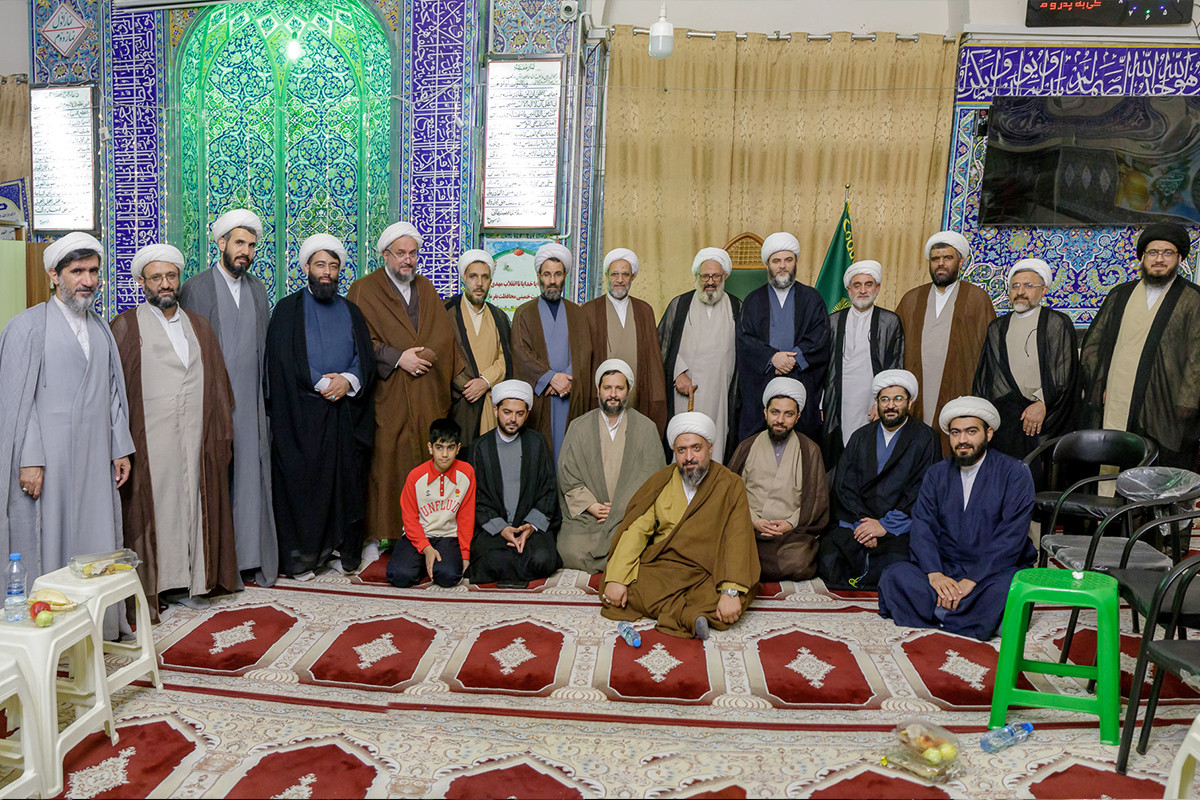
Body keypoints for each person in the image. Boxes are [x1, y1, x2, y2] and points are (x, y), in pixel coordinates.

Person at [0, 233, 134, 598]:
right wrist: (30, 459)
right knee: (49, 540)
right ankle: (52, 618)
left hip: (95, 456)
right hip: (49, 460)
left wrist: (120, 448)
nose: (88, 280)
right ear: (54, 275)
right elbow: (17, 404)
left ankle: (97, 619)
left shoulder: (101, 328)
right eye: (77, 271)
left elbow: (112, 393)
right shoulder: (26, 328)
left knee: (96, 540)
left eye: (93, 271)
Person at [110, 244, 238, 616]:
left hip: (197, 435)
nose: (165, 284)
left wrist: (218, 434)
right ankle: (159, 585)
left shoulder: (198, 324)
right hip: (149, 439)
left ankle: (194, 581)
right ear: (142, 282)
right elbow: (113, 392)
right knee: (158, 505)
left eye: (171, 276)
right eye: (156, 278)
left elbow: (218, 384)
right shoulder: (125, 325)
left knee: (195, 502)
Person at [348, 221, 462, 560]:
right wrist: (398, 358)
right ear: (385, 255)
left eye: (412, 254)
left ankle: (422, 532)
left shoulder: (426, 287)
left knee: (422, 461)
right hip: (388, 396)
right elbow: (358, 340)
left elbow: (443, 335)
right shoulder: (363, 290)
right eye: (400, 254)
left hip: (425, 391)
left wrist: (425, 356)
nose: (407, 260)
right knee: (384, 465)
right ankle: (376, 535)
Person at [877, 396, 1036, 641]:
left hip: (992, 571)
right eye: (955, 433)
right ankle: (975, 618)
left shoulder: (1014, 472)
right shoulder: (936, 473)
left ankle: (940, 612)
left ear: (988, 434)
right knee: (895, 575)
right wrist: (935, 575)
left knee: (1010, 587)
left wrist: (972, 580)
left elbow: (1011, 537)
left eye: (971, 431)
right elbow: (922, 526)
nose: (962, 440)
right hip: (946, 567)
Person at [266, 234, 375, 579]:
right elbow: (282, 359)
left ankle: (340, 550)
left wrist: (348, 380)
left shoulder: (351, 310)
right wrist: (321, 383)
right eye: (320, 265)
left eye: (333, 266)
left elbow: (364, 357)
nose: (326, 272)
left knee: (345, 484)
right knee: (305, 488)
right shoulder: (287, 309)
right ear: (307, 269)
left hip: (344, 415)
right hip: (302, 417)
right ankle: (303, 558)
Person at [178, 209, 278, 586]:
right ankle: (217, 564)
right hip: (210, 403)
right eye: (239, 243)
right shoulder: (196, 288)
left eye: (251, 245)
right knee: (216, 480)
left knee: (251, 478)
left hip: (250, 403)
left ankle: (249, 558)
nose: (245, 251)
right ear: (221, 243)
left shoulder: (258, 289)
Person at [601, 412, 760, 639]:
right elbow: (637, 530)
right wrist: (617, 577)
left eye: (696, 448)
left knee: (735, 597)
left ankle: (679, 611)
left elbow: (739, 538)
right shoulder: (662, 481)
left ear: (710, 449)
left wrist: (730, 591)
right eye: (681, 450)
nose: (689, 457)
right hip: (666, 569)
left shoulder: (730, 484)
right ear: (674, 453)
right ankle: (691, 615)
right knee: (621, 586)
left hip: (709, 571)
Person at [1079, 222, 1200, 468]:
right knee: (1114, 456)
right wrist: (1100, 382)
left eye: (1167, 253)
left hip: (1165, 399)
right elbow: (1094, 343)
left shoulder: (1193, 298)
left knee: (1159, 464)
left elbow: (1197, 354)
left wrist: (1187, 400)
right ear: (1142, 258)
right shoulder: (1120, 294)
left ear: (1179, 259)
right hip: (1117, 395)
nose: (1159, 259)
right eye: (1153, 253)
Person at [817, 370, 940, 591]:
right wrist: (864, 524)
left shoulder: (926, 437)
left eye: (898, 399)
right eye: (884, 399)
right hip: (859, 522)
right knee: (829, 554)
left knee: (899, 560)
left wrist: (884, 525)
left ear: (910, 403)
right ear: (877, 403)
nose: (890, 405)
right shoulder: (860, 436)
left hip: (900, 524)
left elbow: (922, 488)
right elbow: (844, 485)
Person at [556, 359, 664, 573]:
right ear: (598, 390)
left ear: (628, 391)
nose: (613, 394)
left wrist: (622, 508)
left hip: (629, 515)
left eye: (619, 388)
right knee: (568, 549)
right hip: (590, 517)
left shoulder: (646, 428)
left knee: (643, 543)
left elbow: (655, 478)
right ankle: (618, 558)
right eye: (607, 388)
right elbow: (567, 473)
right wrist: (592, 506)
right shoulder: (578, 427)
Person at [896, 231, 996, 455]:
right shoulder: (911, 299)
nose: (941, 264)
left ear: (960, 261)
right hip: (918, 388)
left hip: (960, 386)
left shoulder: (977, 298)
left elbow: (991, 352)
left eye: (947, 258)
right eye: (935, 259)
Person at [973, 258, 1078, 459]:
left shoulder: (1056, 322)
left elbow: (1065, 372)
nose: (1020, 292)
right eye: (1015, 286)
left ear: (1043, 290)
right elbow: (989, 377)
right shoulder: (997, 327)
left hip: (1047, 414)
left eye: (1029, 286)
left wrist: (1042, 403)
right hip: (1007, 418)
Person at [727, 378, 827, 582]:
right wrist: (753, 521)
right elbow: (730, 493)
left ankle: (751, 565)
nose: (780, 420)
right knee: (727, 548)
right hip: (750, 529)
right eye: (775, 412)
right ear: (765, 413)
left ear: (798, 417)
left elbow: (817, 500)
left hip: (790, 535)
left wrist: (789, 523)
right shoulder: (747, 447)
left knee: (799, 561)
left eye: (788, 414)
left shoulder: (810, 450)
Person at [736, 232, 831, 444]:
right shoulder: (753, 300)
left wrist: (792, 359)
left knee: (802, 443)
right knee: (756, 443)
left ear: (796, 262)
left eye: (788, 260)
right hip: (762, 384)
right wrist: (772, 358)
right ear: (767, 265)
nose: (782, 266)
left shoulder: (812, 298)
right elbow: (745, 340)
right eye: (776, 261)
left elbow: (820, 337)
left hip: (801, 380)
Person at [467, 380, 563, 586]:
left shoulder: (537, 443)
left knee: (543, 559)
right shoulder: (480, 448)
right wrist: (502, 528)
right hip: (495, 528)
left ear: (527, 414)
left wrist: (530, 527)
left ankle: (510, 567)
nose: (513, 419)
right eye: (507, 412)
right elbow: (477, 498)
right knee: (489, 560)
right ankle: (514, 566)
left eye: (520, 414)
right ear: (496, 410)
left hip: (529, 526)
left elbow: (549, 489)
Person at [658, 247, 742, 462]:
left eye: (715, 276)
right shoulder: (680, 305)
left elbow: (746, 352)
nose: (710, 281)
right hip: (686, 391)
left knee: (716, 445)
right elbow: (662, 344)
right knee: (686, 444)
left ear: (725, 276)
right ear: (697, 277)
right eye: (705, 276)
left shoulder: (736, 307)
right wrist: (677, 374)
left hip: (721, 393)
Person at [510, 243, 592, 462]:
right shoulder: (524, 313)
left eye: (557, 274)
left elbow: (585, 350)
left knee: (570, 455)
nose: (552, 280)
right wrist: (550, 378)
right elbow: (520, 352)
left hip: (570, 393)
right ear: (538, 277)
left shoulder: (577, 313)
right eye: (547, 274)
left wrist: (567, 380)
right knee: (539, 457)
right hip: (541, 396)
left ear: (565, 276)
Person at [821, 260, 905, 466]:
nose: (863, 290)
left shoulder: (890, 321)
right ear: (848, 289)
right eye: (857, 285)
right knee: (837, 455)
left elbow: (896, 365)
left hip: (871, 399)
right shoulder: (833, 321)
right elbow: (824, 366)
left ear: (878, 288)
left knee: (868, 453)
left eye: (868, 285)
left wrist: (881, 402)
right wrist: (823, 402)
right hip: (839, 398)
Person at [582, 249, 668, 437]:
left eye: (625, 274)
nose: (619, 280)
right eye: (615, 274)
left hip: (637, 396)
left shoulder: (644, 310)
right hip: (602, 397)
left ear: (632, 277)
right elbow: (583, 361)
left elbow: (653, 359)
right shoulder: (589, 310)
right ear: (606, 276)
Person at [387, 418, 475, 588]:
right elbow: (410, 519)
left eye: (450, 448)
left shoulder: (467, 473)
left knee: (449, 577)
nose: (444, 454)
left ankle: (428, 565)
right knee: (399, 576)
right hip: (418, 535)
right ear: (430, 448)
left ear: (458, 448)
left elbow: (466, 517)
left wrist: (465, 555)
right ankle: (423, 562)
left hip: (448, 537)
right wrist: (426, 548)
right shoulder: (415, 476)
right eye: (439, 447)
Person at [444, 249, 511, 446]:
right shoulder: (446, 311)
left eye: (485, 277)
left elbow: (505, 358)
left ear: (491, 281)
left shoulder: (499, 317)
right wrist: (467, 386)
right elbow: (441, 355)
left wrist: (485, 381)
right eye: (473, 276)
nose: (479, 283)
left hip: (489, 403)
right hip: (457, 402)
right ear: (464, 278)